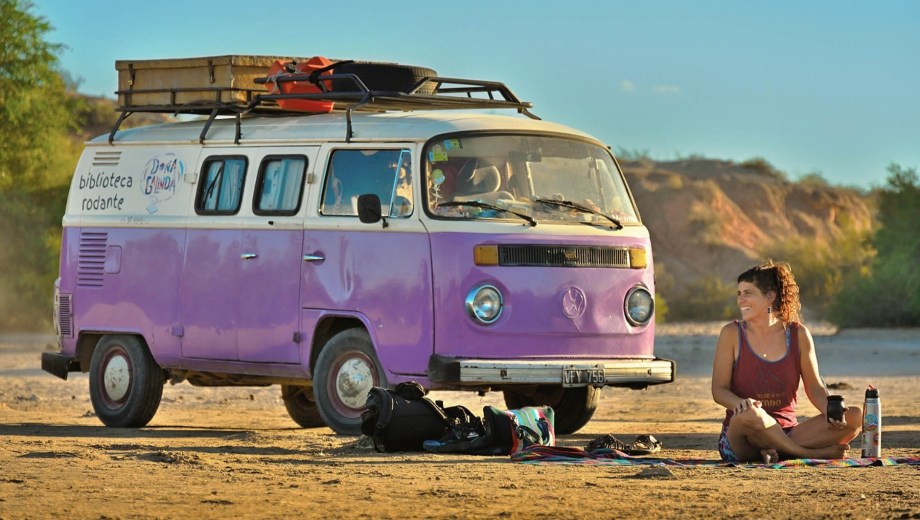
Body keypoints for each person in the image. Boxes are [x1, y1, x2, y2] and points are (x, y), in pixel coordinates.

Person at [711, 260, 861, 463]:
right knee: (751, 414)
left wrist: (830, 412)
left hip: (789, 432)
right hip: (743, 436)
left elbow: (815, 387)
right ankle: (806, 454)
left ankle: (778, 451)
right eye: (739, 294)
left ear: (770, 297)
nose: (741, 300)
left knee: (855, 416)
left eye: (748, 293)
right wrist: (739, 404)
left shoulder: (799, 334)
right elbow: (719, 390)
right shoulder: (731, 333)